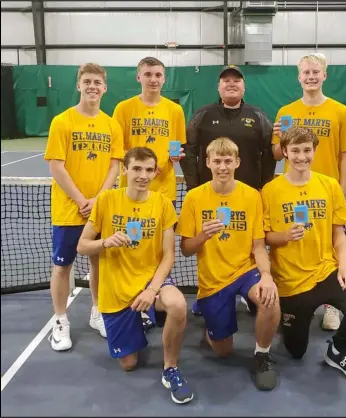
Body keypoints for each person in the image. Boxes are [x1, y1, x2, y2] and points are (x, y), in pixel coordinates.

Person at [77, 147, 194, 405]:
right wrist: (105, 242)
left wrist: (152, 289)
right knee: (129, 364)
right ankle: (140, 320)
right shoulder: (107, 201)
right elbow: (82, 245)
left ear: (155, 172)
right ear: (125, 170)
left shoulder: (162, 204)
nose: (143, 175)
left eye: (149, 170)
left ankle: (170, 368)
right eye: (137, 169)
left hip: (149, 281)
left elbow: (168, 256)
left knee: (177, 305)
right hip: (115, 289)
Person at [262, 126, 346, 384]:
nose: (302, 156)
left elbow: (339, 234)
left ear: (314, 151)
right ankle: (291, 319)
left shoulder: (329, 185)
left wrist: (344, 269)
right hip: (290, 281)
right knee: (296, 351)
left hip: (326, 271)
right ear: (285, 153)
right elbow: (264, 237)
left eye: (307, 150)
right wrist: (285, 236)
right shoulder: (270, 190)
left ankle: (337, 351)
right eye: (295, 150)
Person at [176, 137, 280, 391]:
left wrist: (266, 275)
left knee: (270, 299)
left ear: (237, 162)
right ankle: (211, 323)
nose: (223, 167)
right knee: (223, 351)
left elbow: (258, 245)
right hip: (213, 279)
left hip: (245, 271)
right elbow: (186, 249)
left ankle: (262, 356)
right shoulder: (194, 198)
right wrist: (203, 236)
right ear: (208, 163)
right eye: (217, 161)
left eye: (228, 161)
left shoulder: (252, 196)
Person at [180, 64, 276, 316]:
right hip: (209, 196)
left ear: (244, 86)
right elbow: (189, 151)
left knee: (249, 244)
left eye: (236, 80)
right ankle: (207, 293)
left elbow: (269, 153)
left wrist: (263, 187)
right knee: (210, 246)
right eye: (226, 81)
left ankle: (248, 287)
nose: (231, 84)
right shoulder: (202, 115)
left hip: (247, 196)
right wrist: (194, 187)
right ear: (219, 87)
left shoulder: (258, 116)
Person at [271, 53, 346, 332]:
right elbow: (275, 152)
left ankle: (332, 307)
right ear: (299, 77)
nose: (310, 76)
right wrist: (276, 135)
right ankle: (292, 298)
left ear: (324, 75)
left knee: (331, 246)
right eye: (305, 72)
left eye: (315, 72)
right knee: (294, 244)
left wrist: (340, 191)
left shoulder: (340, 111)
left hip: (326, 190)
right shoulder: (286, 112)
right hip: (292, 192)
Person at [44, 63, 124, 351]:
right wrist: (81, 200)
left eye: (97, 82)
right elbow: (56, 165)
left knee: (98, 262)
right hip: (69, 209)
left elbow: (114, 166)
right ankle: (61, 320)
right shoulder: (62, 122)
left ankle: (97, 312)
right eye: (87, 81)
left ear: (105, 88)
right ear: (79, 86)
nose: (92, 86)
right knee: (62, 266)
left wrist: (99, 200)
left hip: (100, 210)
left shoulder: (111, 124)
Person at [112, 56, 186, 330]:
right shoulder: (123, 109)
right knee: (133, 248)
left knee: (162, 250)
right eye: (148, 74)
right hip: (131, 195)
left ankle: (156, 294)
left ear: (164, 79)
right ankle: (136, 304)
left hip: (164, 192)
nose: (153, 79)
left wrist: (175, 156)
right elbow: (119, 151)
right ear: (138, 77)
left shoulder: (174, 111)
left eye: (158, 75)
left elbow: (176, 148)